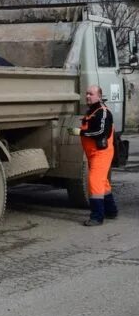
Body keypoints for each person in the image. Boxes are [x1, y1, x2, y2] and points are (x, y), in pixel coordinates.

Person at [69, 85, 117, 226]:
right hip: (93, 153)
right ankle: (111, 211)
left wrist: (81, 132)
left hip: (101, 153)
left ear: (99, 96)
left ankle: (97, 217)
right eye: (86, 93)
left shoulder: (103, 112)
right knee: (102, 183)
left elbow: (102, 132)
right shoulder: (93, 111)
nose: (87, 96)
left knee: (94, 182)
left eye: (91, 94)